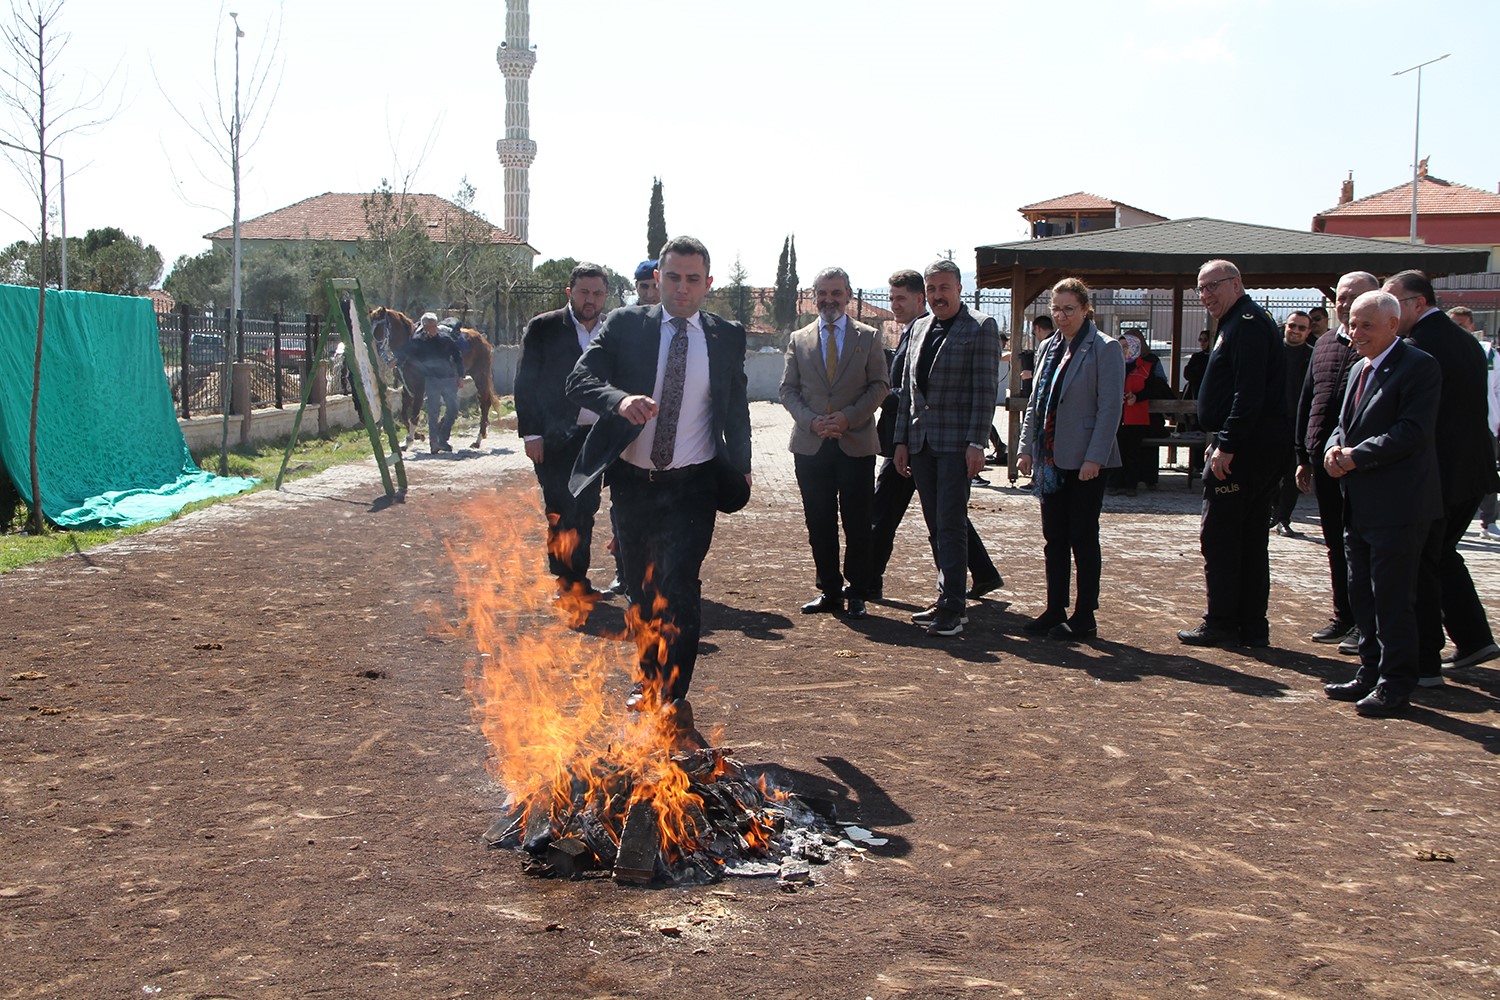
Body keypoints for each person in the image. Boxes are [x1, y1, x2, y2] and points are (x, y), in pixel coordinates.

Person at [564, 236, 752, 721]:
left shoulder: (727, 334)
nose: (682, 289)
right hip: (633, 483)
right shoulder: (627, 324)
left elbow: (734, 405)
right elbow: (579, 381)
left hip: (694, 484)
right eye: (673, 278)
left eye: (693, 280)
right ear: (657, 280)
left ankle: (671, 696)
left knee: (680, 587)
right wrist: (619, 400)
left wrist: (745, 464)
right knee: (642, 593)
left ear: (708, 284)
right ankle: (647, 679)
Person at [1322, 290, 1442, 717]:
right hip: (1359, 503)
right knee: (1363, 596)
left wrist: (1356, 455)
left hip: (1399, 505)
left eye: (1366, 325)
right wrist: (1334, 449)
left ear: (1393, 325)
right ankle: (1369, 671)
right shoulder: (1359, 369)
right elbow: (1343, 423)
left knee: (1392, 598)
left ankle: (1395, 682)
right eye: (1352, 324)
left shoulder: (1418, 366)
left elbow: (1411, 430)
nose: (1355, 333)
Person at [1383, 271, 1500, 678]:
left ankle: (1424, 660)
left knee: (1423, 563)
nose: (1388, 313)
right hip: (1470, 470)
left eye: (1393, 303)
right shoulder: (1462, 339)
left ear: (1418, 302)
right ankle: (1473, 639)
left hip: (1442, 474)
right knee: (1441, 556)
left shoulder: (1418, 347)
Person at [869, 270, 1002, 601]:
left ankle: (874, 581)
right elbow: (911, 389)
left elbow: (983, 391)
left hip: (947, 442)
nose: (894, 305)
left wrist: (874, 394)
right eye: (891, 298)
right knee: (941, 520)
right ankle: (976, 577)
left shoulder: (975, 327)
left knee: (934, 520)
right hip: (911, 442)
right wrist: (900, 440)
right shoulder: (916, 332)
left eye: (901, 298)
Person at [1177, 259, 1289, 648]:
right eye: (1201, 288)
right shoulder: (1238, 321)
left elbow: (1249, 392)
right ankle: (1250, 625)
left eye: (1213, 286)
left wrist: (1228, 443)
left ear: (1237, 284)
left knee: (1224, 537)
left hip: (1247, 451)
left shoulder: (1247, 324)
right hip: (1247, 445)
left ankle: (1224, 621)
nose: (1206, 295)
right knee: (1247, 538)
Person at [1016, 277, 1124, 640]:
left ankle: (1084, 615)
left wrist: (1095, 457)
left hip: (1086, 461)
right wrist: (1025, 448)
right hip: (1050, 458)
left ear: (1085, 309)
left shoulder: (1104, 348)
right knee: (1054, 537)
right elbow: (1036, 402)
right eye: (1056, 309)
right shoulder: (1048, 347)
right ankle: (1055, 607)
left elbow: (1110, 408)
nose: (1061, 316)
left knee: (1083, 536)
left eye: (1069, 309)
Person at [779, 267, 887, 620]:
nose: (829, 299)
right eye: (822, 293)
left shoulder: (868, 337)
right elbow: (788, 390)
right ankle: (829, 590)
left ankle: (857, 592)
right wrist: (812, 421)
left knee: (857, 521)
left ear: (848, 296)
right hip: (811, 446)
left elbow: (879, 386)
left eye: (836, 293)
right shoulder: (799, 338)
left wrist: (847, 418)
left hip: (854, 442)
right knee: (818, 521)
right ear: (813, 297)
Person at [514, 263, 611, 597]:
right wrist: (531, 433)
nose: (591, 299)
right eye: (584, 291)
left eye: (598, 293)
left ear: (605, 296)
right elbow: (525, 381)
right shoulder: (544, 327)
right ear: (570, 293)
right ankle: (563, 579)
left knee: (586, 508)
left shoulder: (612, 330)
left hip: (595, 437)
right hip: (554, 438)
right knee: (560, 508)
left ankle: (578, 578)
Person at [1294, 272, 1377, 647]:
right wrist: (1303, 454)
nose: (1344, 304)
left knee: (1362, 545)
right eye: (1341, 298)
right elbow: (1308, 400)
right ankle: (1344, 615)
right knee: (1334, 543)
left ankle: (1366, 621)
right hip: (1322, 460)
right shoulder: (1324, 342)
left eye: (1353, 297)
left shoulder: (1378, 346)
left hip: (1360, 465)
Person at [1449, 306, 1500, 540]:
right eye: (1453, 325)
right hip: (1454, 423)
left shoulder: (1488, 353)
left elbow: (1497, 389)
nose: (1458, 330)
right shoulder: (1444, 350)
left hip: (1486, 423)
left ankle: (1488, 521)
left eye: (1462, 325)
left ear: (1472, 326)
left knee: (1486, 473)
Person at [394, 311, 464, 454]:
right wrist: (394, 361)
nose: (433, 329)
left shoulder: (446, 339)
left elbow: (457, 356)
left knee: (453, 409)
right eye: (430, 327)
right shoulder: (419, 341)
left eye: (434, 326)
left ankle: (443, 438)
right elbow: (404, 353)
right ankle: (434, 443)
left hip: (448, 379)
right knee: (433, 412)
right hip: (432, 381)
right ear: (424, 327)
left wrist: (461, 376)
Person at [1271, 311, 1315, 536]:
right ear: (1285, 327)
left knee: (1292, 473)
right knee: (1267, 470)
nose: (1295, 331)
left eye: (1301, 327)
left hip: (1299, 423)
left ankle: (1283, 518)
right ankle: (1273, 511)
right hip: (1271, 421)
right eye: (1292, 326)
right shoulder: (1272, 352)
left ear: (1308, 332)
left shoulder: (1313, 356)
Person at [1111, 330, 1170, 495]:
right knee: (1116, 450)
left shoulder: (1146, 365)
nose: (1122, 350)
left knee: (1132, 452)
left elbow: (1154, 388)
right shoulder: (1114, 364)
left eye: (1125, 346)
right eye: (1120, 346)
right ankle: (1114, 484)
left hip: (1136, 414)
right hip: (1117, 415)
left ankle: (1131, 485)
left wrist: (1137, 397)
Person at [1020, 315, 1052, 398]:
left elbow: (1051, 366)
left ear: (1038, 328)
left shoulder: (1049, 343)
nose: (1036, 336)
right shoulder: (1057, 340)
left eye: (1034, 333)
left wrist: (1031, 373)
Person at [1182, 330, 1211, 400]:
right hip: (1195, 390)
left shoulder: (1213, 357)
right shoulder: (1196, 356)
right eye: (1200, 339)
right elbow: (1186, 373)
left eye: (1205, 340)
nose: (1202, 343)